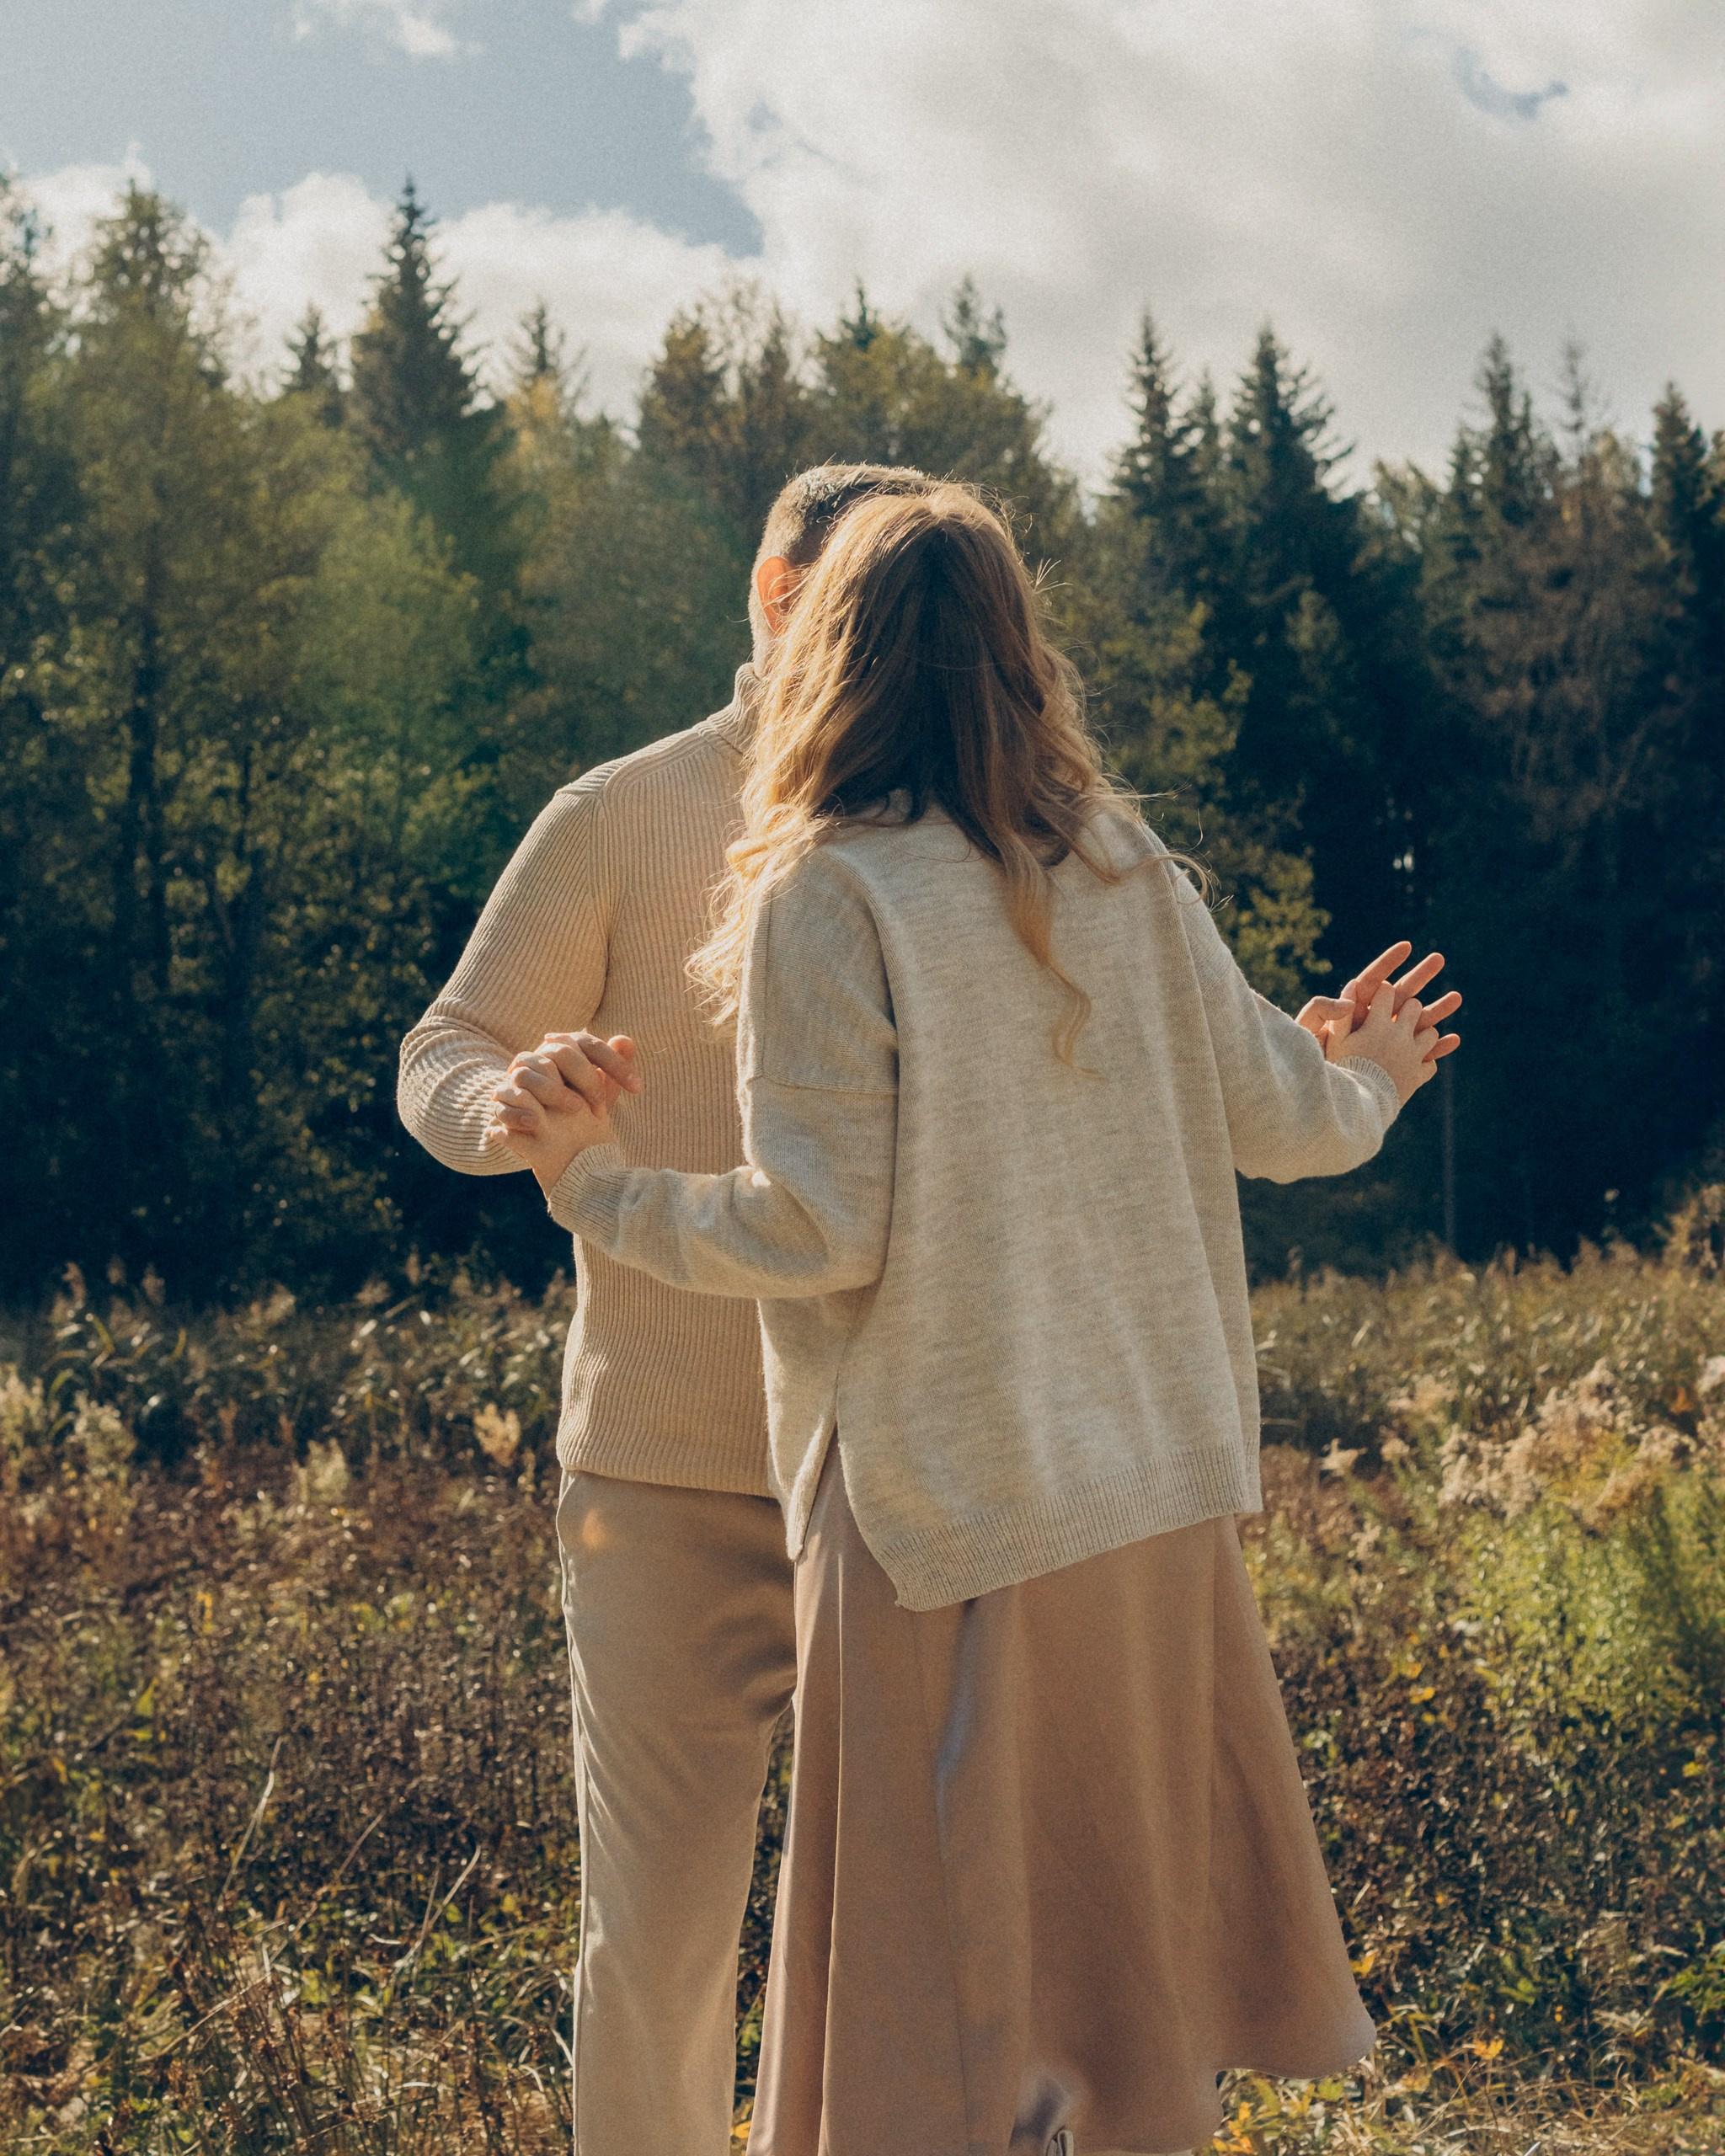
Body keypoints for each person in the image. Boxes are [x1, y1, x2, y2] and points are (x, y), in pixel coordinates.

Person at [487, 482, 1461, 2156]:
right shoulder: (1126, 865)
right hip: (1155, 1511)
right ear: (1022, 649)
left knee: (926, 2035)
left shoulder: (825, 892)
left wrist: (599, 1183)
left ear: (825, 650)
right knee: (1121, 2014)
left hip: (945, 1518)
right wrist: (1363, 1071)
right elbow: (1289, 1122)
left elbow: (813, 1224)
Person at [397, 464, 943, 2156]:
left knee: (914, 1950)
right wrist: (507, 1101)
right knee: (659, 1943)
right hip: (661, 1469)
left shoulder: (961, 827)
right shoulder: (621, 813)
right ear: (779, 605)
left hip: (910, 1483)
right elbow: (445, 1044)